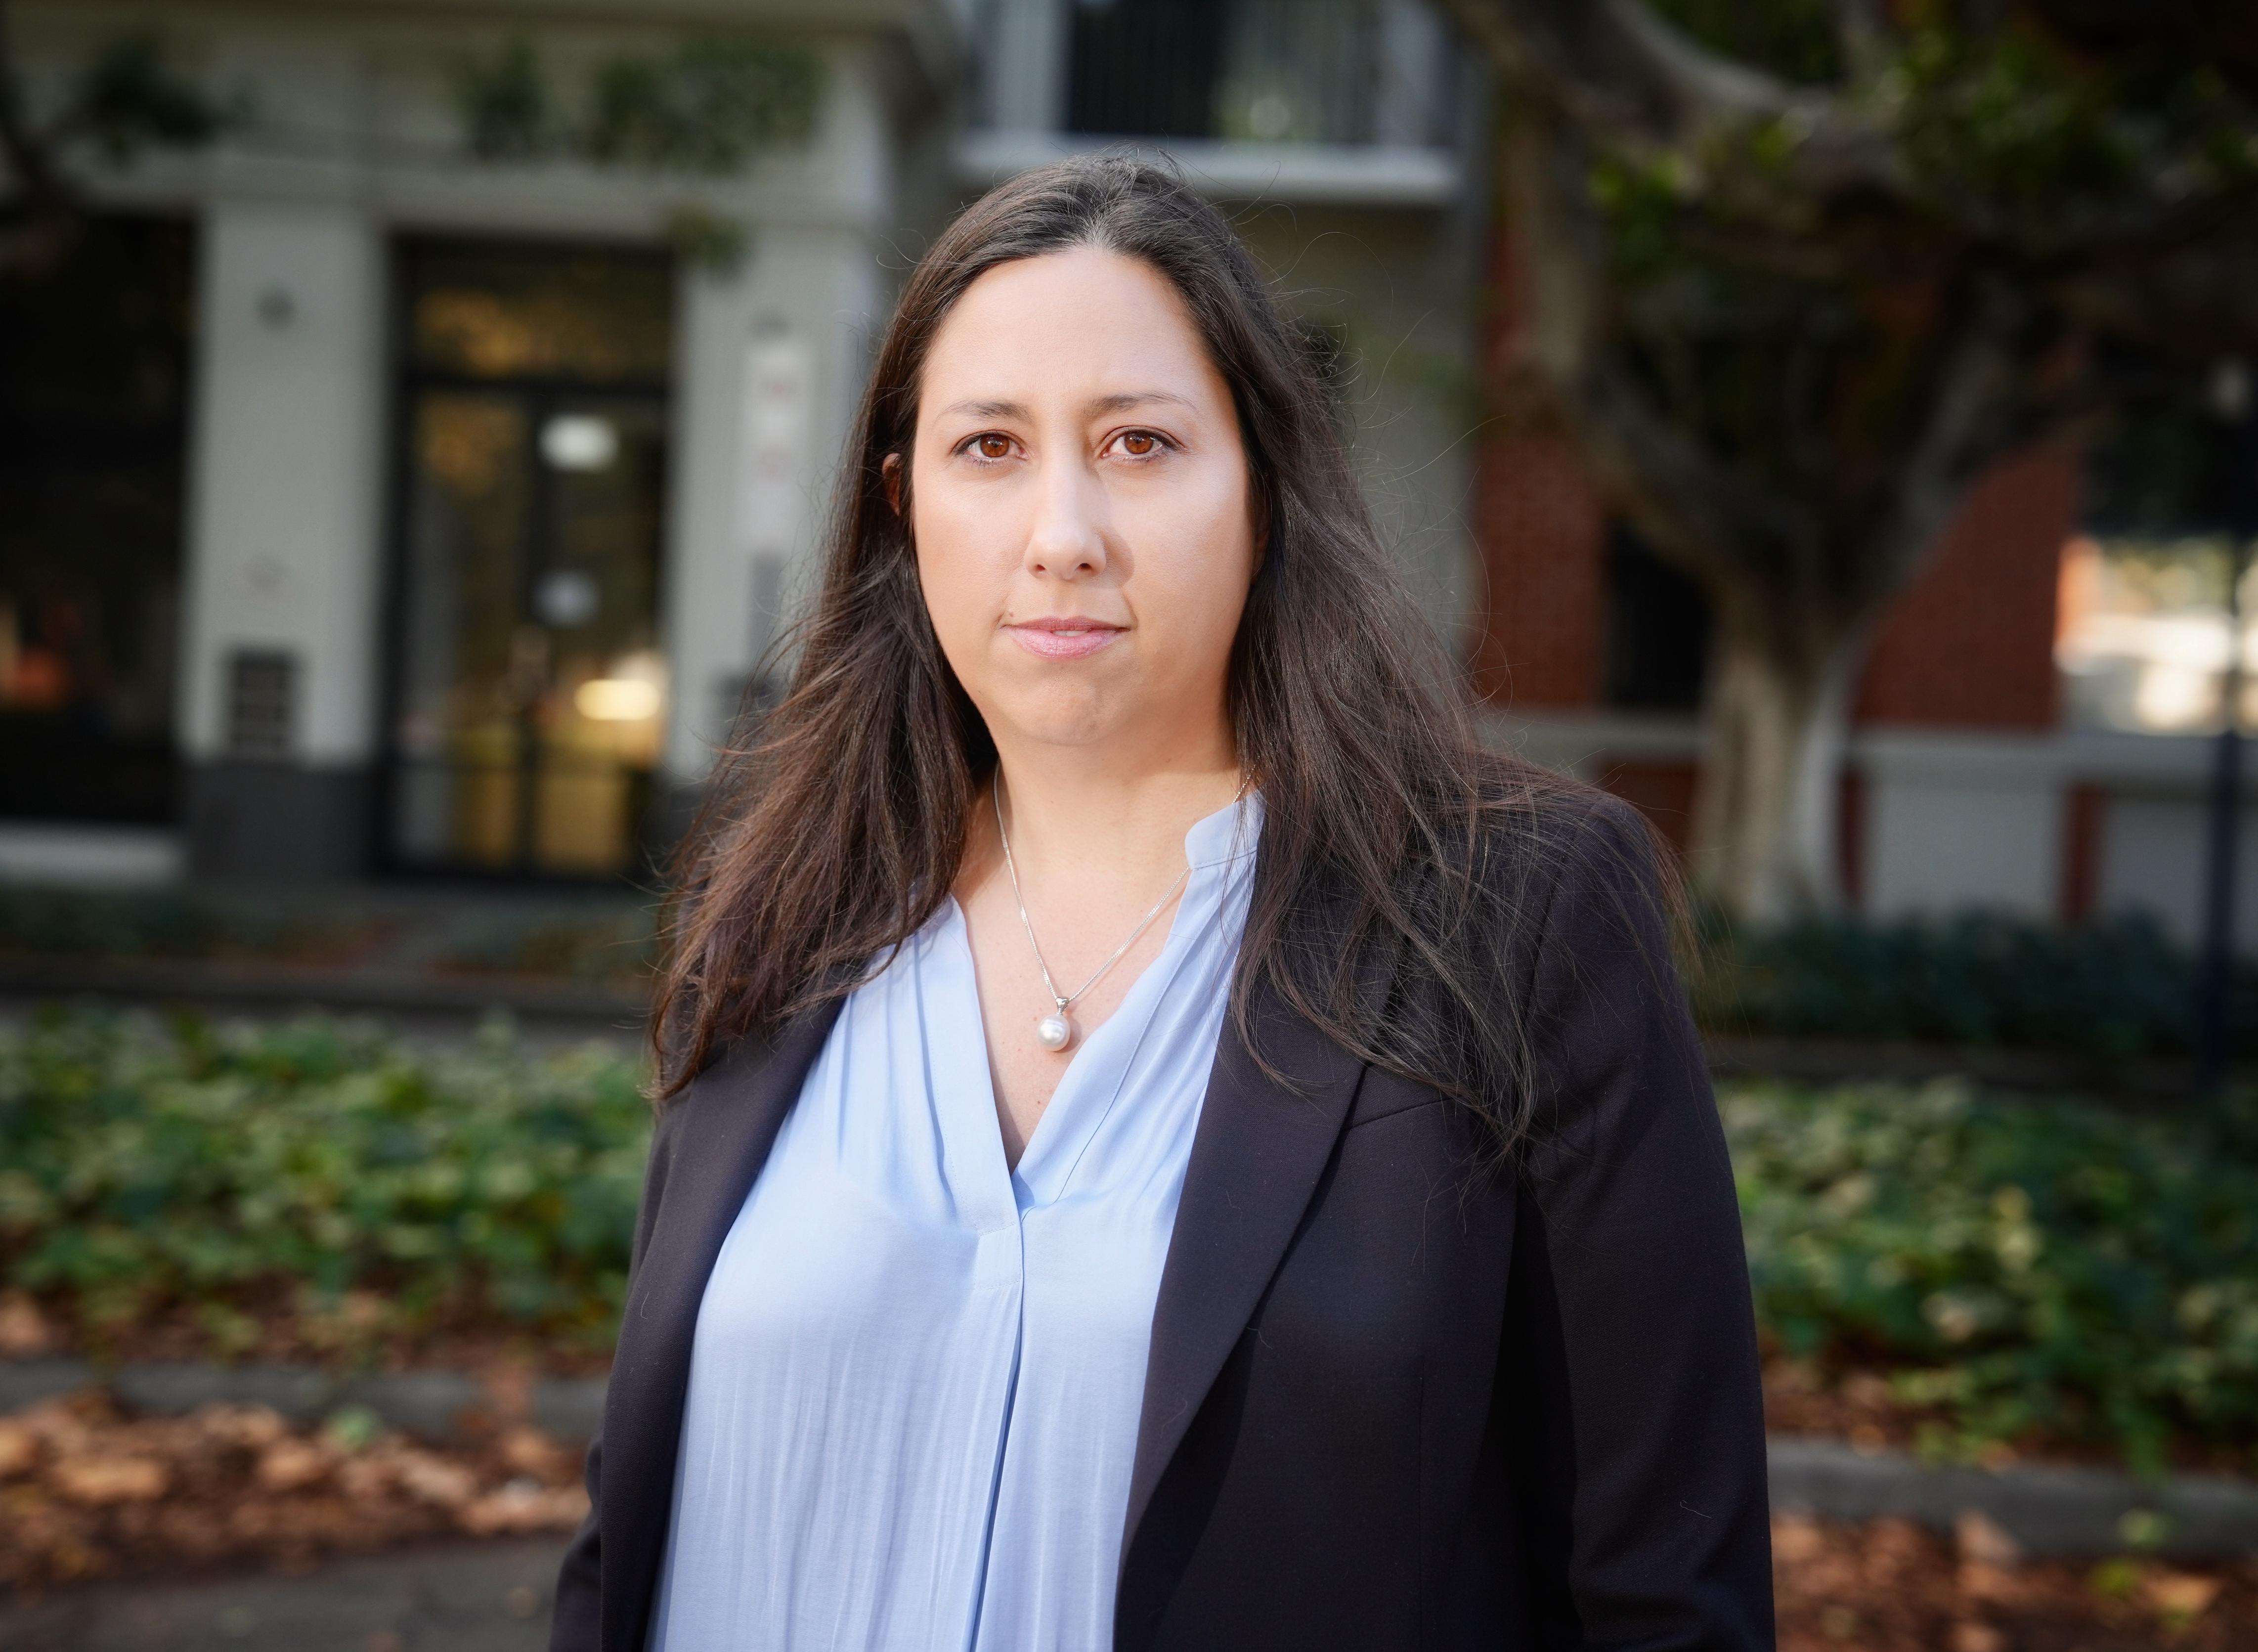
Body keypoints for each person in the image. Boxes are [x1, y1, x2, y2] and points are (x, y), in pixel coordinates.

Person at [551, 156, 1772, 1652]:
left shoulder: (1513, 918)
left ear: (1262, 485)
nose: (1061, 529)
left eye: (1138, 443)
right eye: (989, 447)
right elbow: (629, 1536)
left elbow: (1666, 1590)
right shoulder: (790, 908)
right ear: (902, 503)